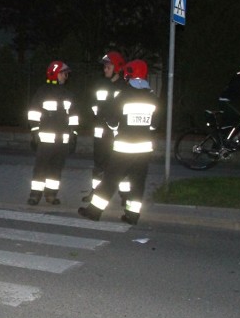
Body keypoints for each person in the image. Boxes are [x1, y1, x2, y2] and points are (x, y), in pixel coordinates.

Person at [78, 59, 158, 225]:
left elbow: (112, 121)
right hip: (144, 149)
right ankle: (132, 215)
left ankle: (94, 211)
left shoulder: (124, 95)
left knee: (110, 179)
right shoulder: (152, 97)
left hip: (125, 147)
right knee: (137, 182)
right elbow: (154, 124)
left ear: (129, 73)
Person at [27, 61, 79, 206]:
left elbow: (73, 116)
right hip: (45, 140)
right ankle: (35, 196)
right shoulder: (43, 92)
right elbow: (33, 113)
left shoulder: (68, 94)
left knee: (56, 170)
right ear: (55, 74)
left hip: (62, 141)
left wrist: (73, 134)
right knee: (40, 169)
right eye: (64, 73)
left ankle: (51, 195)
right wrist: (35, 131)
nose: (66, 76)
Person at [83, 51, 130, 205]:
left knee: (121, 167)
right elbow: (93, 106)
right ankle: (95, 192)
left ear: (117, 68)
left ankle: (125, 196)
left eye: (108, 67)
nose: (105, 70)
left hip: (118, 136)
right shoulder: (100, 85)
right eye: (104, 67)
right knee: (98, 167)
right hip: (101, 134)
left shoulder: (125, 87)